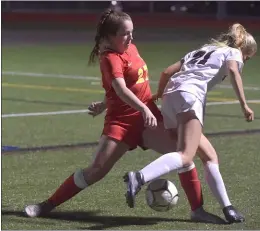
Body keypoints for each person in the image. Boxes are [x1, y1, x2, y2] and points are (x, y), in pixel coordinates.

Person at [24, 8, 221, 223]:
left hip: (147, 120)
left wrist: (105, 103)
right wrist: (142, 108)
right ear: (110, 36)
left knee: (182, 156)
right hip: (122, 123)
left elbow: (132, 86)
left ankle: (197, 210)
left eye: (132, 32)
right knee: (96, 171)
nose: (131, 37)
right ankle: (47, 205)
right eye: (125, 33)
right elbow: (121, 90)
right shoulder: (109, 58)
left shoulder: (132, 49)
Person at [124, 23, 257, 223]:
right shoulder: (233, 53)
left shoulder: (202, 50)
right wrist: (244, 105)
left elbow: (167, 72)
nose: (245, 60)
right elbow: (233, 71)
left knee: (209, 156)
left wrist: (160, 93)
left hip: (171, 97)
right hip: (189, 96)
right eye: (247, 57)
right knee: (186, 156)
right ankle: (140, 177)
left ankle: (224, 208)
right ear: (243, 49)